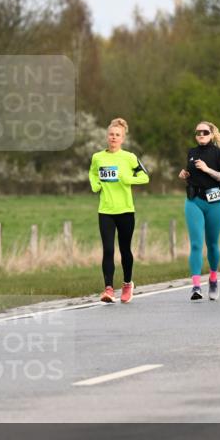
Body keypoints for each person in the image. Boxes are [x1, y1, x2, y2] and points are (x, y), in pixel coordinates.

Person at [89, 117, 149, 303]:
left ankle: (127, 284)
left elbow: (145, 177)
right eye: (111, 134)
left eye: (117, 135)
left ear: (123, 138)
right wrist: (95, 184)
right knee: (108, 249)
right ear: (107, 136)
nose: (114, 138)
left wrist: (128, 179)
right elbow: (92, 172)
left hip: (125, 210)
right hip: (106, 210)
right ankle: (108, 289)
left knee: (124, 250)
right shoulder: (98, 157)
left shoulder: (129, 157)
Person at [178, 121, 220, 300]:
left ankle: (214, 279)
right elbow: (191, 172)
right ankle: (195, 286)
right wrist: (184, 174)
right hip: (194, 201)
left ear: (212, 134)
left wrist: (208, 170)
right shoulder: (191, 152)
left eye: (205, 132)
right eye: (198, 132)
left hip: (215, 202)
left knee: (212, 243)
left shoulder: (219, 154)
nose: (201, 134)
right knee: (195, 244)